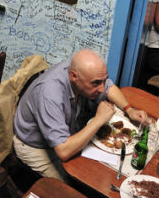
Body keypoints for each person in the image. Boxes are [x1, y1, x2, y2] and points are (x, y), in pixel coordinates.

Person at [13, 49, 149, 180]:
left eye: (103, 81)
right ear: (74, 76)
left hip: (67, 132)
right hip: (35, 145)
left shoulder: (80, 70)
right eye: (96, 83)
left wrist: (129, 109)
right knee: (71, 184)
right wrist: (98, 120)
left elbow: (109, 87)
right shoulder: (49, 95)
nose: (102, 89)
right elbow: (63, 151)